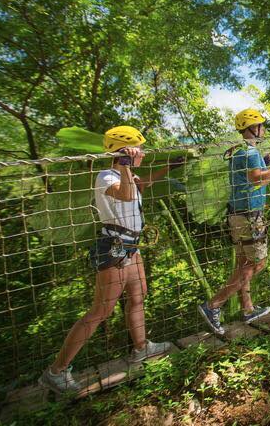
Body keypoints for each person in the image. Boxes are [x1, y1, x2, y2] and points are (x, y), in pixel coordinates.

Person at [39, 126, 180, 395]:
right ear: (124, 151)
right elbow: (126, 194)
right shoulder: (106, 177)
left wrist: (170, 166)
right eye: (139, 150)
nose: (143, 154)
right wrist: (125, 165)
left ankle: (141, 348)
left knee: (139, 296)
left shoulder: (126, 174)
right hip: (114, 248)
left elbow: (140, 186)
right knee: (100, 312)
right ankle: (56, 371)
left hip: (132, 247)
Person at [198, 108, 270, 335]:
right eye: (261, 125)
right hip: (250, 215)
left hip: (236, 213)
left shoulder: (237, 151)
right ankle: (213, 305)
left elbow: (246, 176)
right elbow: (256, 179)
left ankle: (248, 308)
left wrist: (263, 162)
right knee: (257, 264)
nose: (263, 129)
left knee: (243, 262)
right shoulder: (250, 153)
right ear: (253, 128)